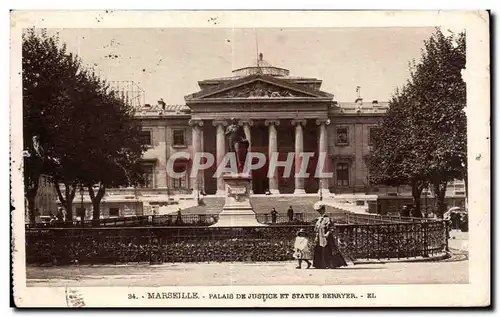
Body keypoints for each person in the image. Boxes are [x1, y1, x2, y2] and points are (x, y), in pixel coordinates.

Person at [312, 204, 348, 269]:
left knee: (329, 250)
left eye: (320, 210)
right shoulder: (319, 220)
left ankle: (331, 264)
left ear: (323, 210)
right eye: (318, 211)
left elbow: (332, 228)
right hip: (320, 237)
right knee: (320, 250)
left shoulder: (327, 219)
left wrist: (327, 233)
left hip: (326, 237)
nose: (319, 212)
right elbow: (316, 229)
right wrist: (316, 236)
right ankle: (321, 264)